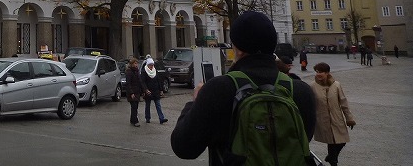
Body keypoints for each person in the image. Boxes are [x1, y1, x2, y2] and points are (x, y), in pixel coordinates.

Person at [171, 11, 316, 166]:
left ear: (238, 49)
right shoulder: (300, 91)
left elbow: (184, 148)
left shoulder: (219, 89)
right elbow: (302, 140)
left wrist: (195, 102)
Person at [312, 62, 356, 166]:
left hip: (337, 118)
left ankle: (331, 157)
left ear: (327, 72)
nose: (318, 74)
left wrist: (349, 119)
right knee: (331, 141)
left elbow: (343, 102)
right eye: (317, 71)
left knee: (342, 141)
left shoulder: (336, 85)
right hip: (323, 119)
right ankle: (333, 161)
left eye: (321, 71)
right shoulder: (312, 86)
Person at [140, 57, 168, 124]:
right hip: (148, 91)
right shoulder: (144, 72)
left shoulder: (155, 71)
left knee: (158, 105)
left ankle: (161, 118)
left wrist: (161, 90)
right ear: (147, 65)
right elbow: (142, 82)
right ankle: (147, 118)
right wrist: (145, 90)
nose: (151, 66)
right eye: (150, 65)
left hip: (156, 91)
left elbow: (159, 81)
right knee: (148, 105)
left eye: (152, 65)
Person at [124, 58, 143, 126]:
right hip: (132, 92)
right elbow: (128, 84)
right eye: (135, 63)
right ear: (132, 64)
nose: (136, 64)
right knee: (134, 106)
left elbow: (140, 81)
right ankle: (135, 121)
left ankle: (132, 120)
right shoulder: (129, 72)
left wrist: (142, 90)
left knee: (135, 107)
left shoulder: (137, 71)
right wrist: (131, 93)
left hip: (137, 91)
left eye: (137, 63)